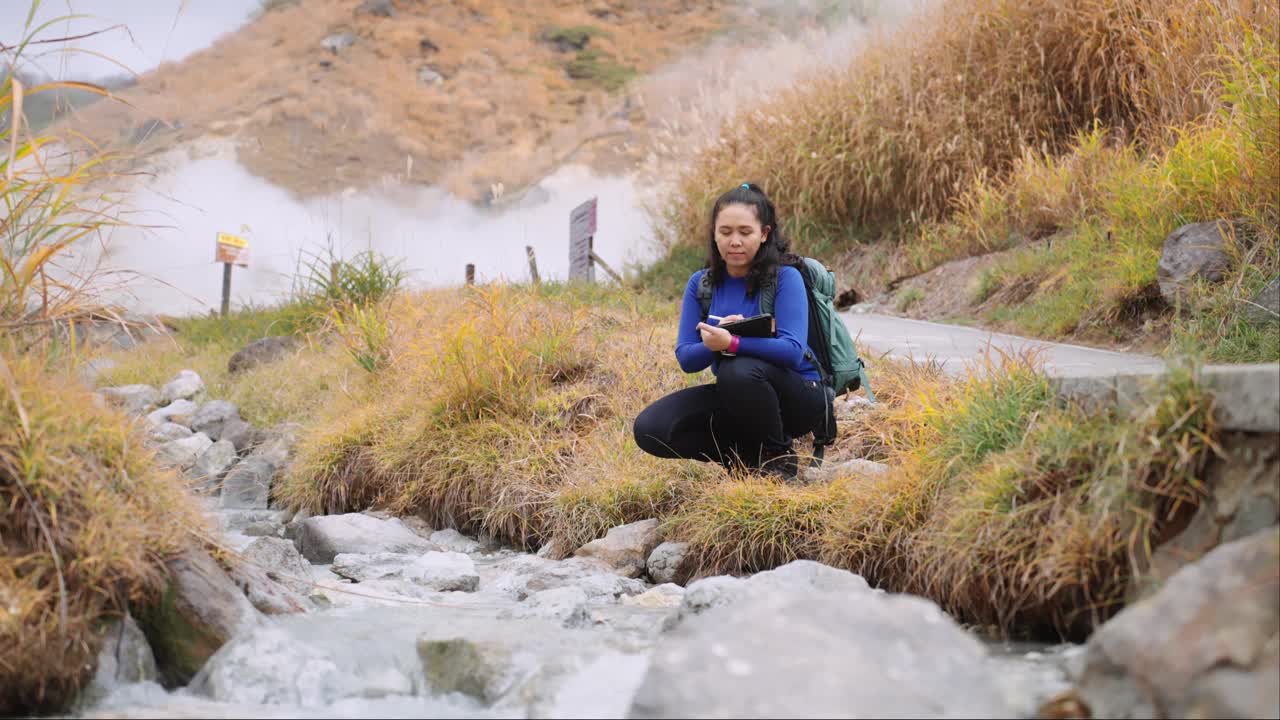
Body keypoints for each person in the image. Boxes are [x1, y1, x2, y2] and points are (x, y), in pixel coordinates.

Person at [633, 183, 826, 481]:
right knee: (652, 428)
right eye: (725, 232)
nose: (734, 241)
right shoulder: (702, 284)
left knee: (737, 370)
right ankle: (745, 457)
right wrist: (716, 341)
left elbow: (792, 351)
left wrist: (734, 342)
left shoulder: (785, 278)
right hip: (740, 397)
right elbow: (687, 359)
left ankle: (779, 459)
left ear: (764, 234)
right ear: (714, 233)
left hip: (799, 397)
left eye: (745, 232)